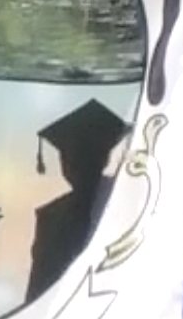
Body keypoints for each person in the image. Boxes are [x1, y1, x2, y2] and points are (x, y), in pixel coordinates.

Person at [26, 99, 128, 301]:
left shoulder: (124, 199)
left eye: (82, 155)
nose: (71, 164)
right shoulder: (49, 217)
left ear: (103, 158)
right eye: (66, 157)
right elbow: (38, 288)